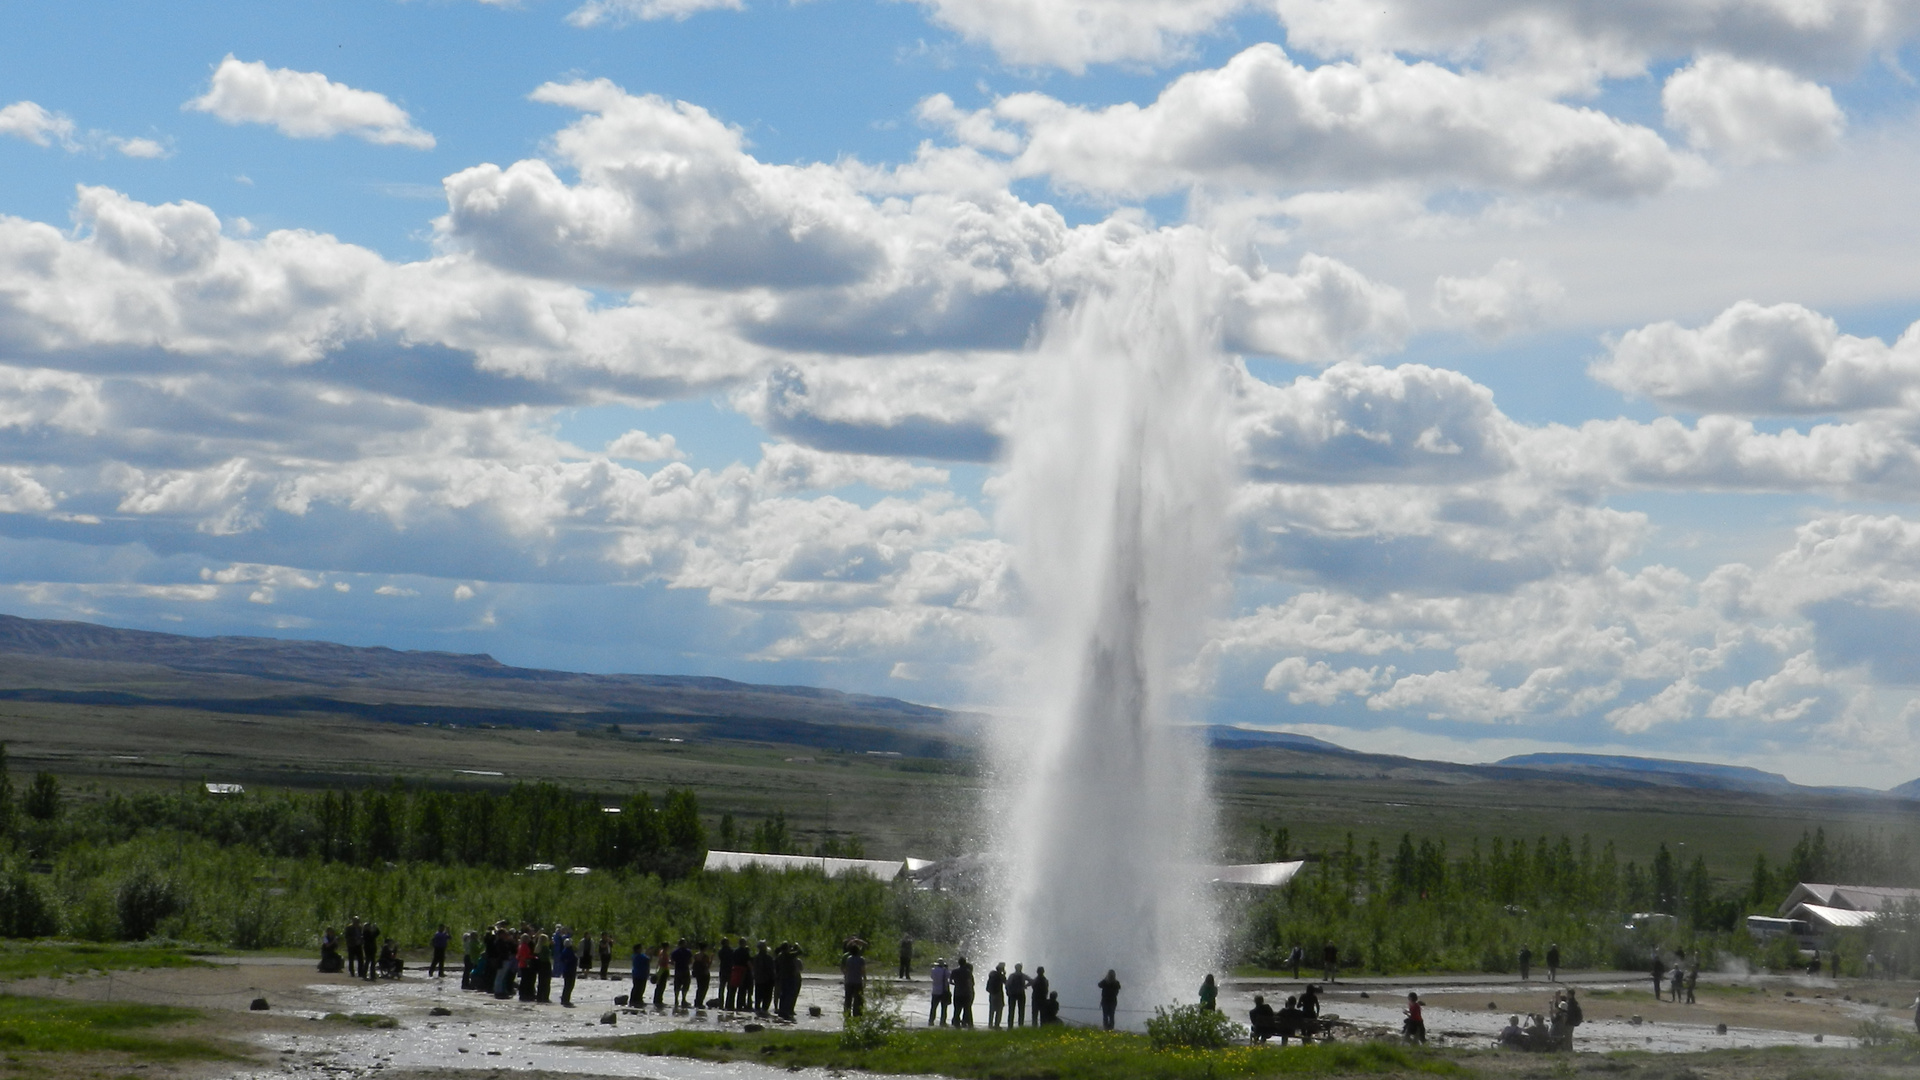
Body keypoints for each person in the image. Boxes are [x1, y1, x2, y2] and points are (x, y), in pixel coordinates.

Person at [841, 943, 866, 1017]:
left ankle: (847, 1013)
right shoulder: (861, 959)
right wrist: (864, 978)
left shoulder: (848, 959)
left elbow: (847, 969)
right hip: (857, 981)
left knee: (848, 999)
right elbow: (863, 970)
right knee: (858, 999)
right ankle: (857, 1014)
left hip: (849, 981)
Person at [755, 939, 778, 1017]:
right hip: (767, 980)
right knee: (767, 996)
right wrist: (774, 978)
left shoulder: (756, 957)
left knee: (758, 995)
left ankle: (758, 1009)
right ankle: (764, 1010)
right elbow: (772, 969)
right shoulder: (769, 958)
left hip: (758, 979)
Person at [952, 957, 976, 1028]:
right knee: (967, 1009)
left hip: (957, 992)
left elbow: (950, 981)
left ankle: (956, 1023)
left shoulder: (954, 971)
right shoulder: (968, 972)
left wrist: (956, 984)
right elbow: (972, 983)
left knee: (957, 1009)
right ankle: (969, 1024)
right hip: (966, 993)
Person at [557, 931, 578, 1008]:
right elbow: (573, 959)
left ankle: (564, 998)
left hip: (566, 970)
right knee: (569, 985)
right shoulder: (569, 951)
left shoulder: (564, 950)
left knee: (567, 985)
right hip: (570, 971)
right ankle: (565, 999)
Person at [671, 938, 693, 1009]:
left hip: (677, 970)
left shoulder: (675, 952)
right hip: (685, 969)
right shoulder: (688, 952)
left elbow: (672, 961)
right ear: (684, 943)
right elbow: (690, 961)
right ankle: (683, 999)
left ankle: (676, 999)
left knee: (677, 985)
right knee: (685, 985)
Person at [929, 957, 951, 1026]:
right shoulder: (945, 971)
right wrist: (946, 968)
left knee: (933, 1007)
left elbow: (932, 977)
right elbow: (949, 976)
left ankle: (931, 1021)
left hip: (935, 991)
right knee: (944, 1008)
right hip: (943, 991)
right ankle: (942, 1022)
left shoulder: (933, 970)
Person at [986, 962, 1007, 1028]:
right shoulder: (1000, 976)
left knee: (992, 1009)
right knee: (999, 1009)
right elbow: (1006, 982)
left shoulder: (992, 974)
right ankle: (996, 1024)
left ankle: (990, 1024)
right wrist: (1004, 973)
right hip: (998, 993)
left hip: (992, 994)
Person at [630, 943, 650, 1008]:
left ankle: (633, 1000)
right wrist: (650, 953)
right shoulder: (640, 956)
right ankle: (638, 1000)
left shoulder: (634, 956)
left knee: (635, 987)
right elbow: (648, 960)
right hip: (641, 975)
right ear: (638, 949)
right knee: (640, 988)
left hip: (636, 974)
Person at [693, 941, 711, 1009]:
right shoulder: (705, 956)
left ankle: (697, 1001)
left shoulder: (696, 955)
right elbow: (708, 966)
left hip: (698, 973)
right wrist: (711, 958)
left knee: (699, 987)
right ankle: (700, 1002)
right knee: (704, 988)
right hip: (705, 973)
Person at [536, 932, 554, 1003]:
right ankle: (545, 997)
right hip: (546, 964)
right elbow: (549, 955)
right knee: (546, 982)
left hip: (540, 965)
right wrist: (551, 946)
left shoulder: (537, 947)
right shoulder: (545, 948)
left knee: (541, 981)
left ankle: (539, 996)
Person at [652, 942, 670, 1007]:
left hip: (661, 969)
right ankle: (658, 1000)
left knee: (660, 985)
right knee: (661, 985)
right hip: (663, 969)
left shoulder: (661, 952)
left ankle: (658, 999)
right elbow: (662, 961)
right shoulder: (663, 953)